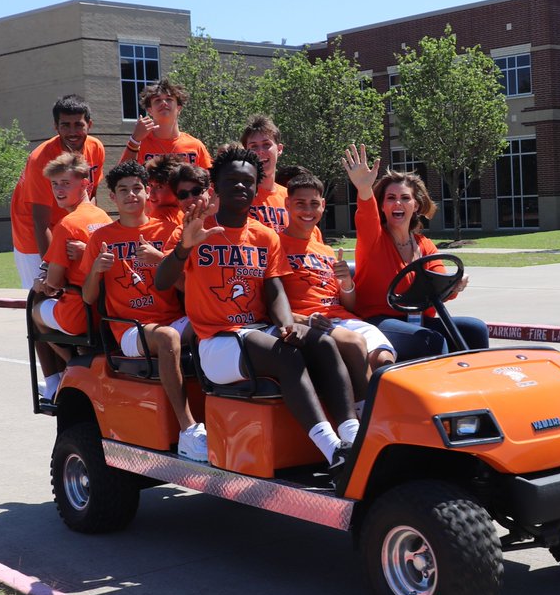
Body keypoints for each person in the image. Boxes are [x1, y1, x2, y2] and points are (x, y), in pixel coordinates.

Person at [154, 145, 359, 476]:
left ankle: (353, 437)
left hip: (256, 332)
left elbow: (274, 288)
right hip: (216, 344)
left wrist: (286, 323)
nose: (240, 187)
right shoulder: (195, 229)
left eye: (247, 182)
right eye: (232, 180)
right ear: (215, 187)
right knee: (284, 354)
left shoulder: (265, 236)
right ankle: (333, 450)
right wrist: (184, 247)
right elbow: (163, 281)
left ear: (255, 187)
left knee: (322, 342)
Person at [82, 161, 207, 460]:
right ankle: (188, 429)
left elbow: (189, 289)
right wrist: (96, 271)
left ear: (148, 192)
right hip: (130, 329)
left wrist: (161, 260)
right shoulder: (101, 238)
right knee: (167, 339)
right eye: (123, 190)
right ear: (112, 197)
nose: (131, 195)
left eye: (137, 188)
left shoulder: (169, 230)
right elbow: (88, 298)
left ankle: (221, 416)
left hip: (173, 319)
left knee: (213, 324)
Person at [342, 143, 490, 360]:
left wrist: (454, 284)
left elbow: (440, 286)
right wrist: (364, 189)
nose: (397, 203)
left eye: (405, 198)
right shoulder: (373, 238)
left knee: (475, 329)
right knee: (430, 339)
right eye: (390, 198)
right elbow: (366, 213)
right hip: (378, 320)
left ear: (416, 206)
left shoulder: (425, 245)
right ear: (382, 206)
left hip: (417, 320)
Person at [279, 171, 395, 409]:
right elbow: (266, 300)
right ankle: (366, 417)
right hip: (309, 323)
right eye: (300, 204)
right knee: (353, 343)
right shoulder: (275, 245)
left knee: (384, 360)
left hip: (341, 320)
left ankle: (391, 413)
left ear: (322, 206)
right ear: (287, 204)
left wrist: (346, 284)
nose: (308, 211)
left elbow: (348, 305)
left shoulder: (325, 250)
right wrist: (302, 319)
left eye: (314, 204)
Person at [30, 152, 112, 400]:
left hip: (82, 314)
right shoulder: (103, 217)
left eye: (66, 183)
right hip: (109, 311)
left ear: (85, 183)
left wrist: (40, 285)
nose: (58, 189)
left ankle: (69, 367)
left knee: (34, 310)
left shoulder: (67, 224)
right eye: (54, 184)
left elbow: (53, 283)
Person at [10, 94, 106, 289]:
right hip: (33, 235)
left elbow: (90, 196)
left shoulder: (96, 148)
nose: (72, 131)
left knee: (77, 290)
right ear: (56, 127)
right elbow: (40, 221)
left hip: (69, 228)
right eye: (65, 125)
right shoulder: (41, 159)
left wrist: (86, 236)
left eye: (78, 124)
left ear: (89, 124)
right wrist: (47, 266)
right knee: (44, 292)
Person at [120, 78, 212, 169]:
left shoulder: (196, 146)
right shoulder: (138, 145)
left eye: (169, 99)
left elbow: (211, 182)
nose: (164, 103)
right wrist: (134, 140)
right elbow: (119, 178)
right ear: (150, 110)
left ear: (179, 108)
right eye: (157, 100)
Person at [240, 114, 290, 233]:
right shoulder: (237, 195)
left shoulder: (291, 197)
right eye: (254, 146)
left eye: (266, 144)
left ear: (279, 149)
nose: (260, 151)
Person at [144, 153, 188, 225]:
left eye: (159, 187)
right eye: (151, 185)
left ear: (177, 189)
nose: (151, 193)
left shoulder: (160, 215)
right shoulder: (183, 211)